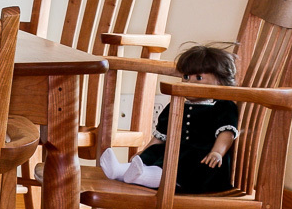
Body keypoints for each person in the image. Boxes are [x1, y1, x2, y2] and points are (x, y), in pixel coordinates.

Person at [99, 43, 239, 193]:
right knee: (157, 151)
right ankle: (120, 171)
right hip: (176, 153)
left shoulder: (223, 106)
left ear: (220, 81)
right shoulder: (176, 105)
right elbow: (160, 136)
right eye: (186, 77)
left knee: (182, 158)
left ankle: (143, 176)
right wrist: (144, 152)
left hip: (202, 163)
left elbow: (226, 134)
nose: (189, 83)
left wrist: (217, 152)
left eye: (198, 78)